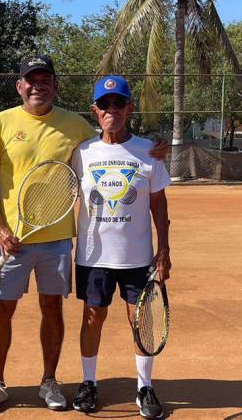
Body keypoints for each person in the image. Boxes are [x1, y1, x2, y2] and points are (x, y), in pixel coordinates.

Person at [0, 56, 169, 413]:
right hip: (13, 240)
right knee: (1, 309)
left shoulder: (77, 129)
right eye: (30, 80)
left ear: (56, 85)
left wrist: (159, 143)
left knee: (53, 309)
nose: (37, 86)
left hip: (58, 241)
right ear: (19, 85)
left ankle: (50, 381)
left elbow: (120, 148)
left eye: (45, 79)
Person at [70, 75, 171, 420]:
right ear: (94, 110)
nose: (111, 110)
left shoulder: (149, 150)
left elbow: (159, 204)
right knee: (92, 317)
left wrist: (164, 250)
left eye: (118, 103)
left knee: (139, 319)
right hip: (92, 256)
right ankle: (88, 383)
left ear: (130, 108)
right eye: (104, 104)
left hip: (137, 256)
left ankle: (145, 387)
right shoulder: (81, 153)